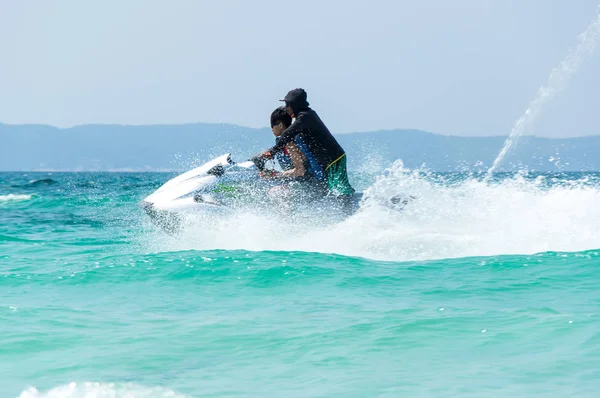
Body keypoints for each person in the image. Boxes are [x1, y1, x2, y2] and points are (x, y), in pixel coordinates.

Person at [258, 88, 355, 203]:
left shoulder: (305, 117)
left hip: (334, 158)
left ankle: (350, 207)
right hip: (328, 161)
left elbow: (288, 134)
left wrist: (273, 152)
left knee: (341, 188)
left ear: (295, 104)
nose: (286, 108)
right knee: (334, 186)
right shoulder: (305, 116)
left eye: (287, 104)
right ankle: (343, 204)